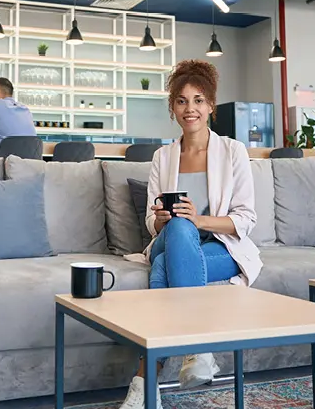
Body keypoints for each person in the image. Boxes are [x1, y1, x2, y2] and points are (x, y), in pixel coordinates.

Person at [119, 60, 261, 409]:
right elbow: (152, 227)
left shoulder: (233, 151)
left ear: (211, 105)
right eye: (181, 101)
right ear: (172, 108)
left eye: (198, 100)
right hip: (173, 236)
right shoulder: (163, 156)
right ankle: (198, 347)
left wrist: (199, 221)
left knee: (164, 267)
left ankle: (144, 384)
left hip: (221, 248)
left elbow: (244, 219)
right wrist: (164, 219)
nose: (190, 108)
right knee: (178, 229)